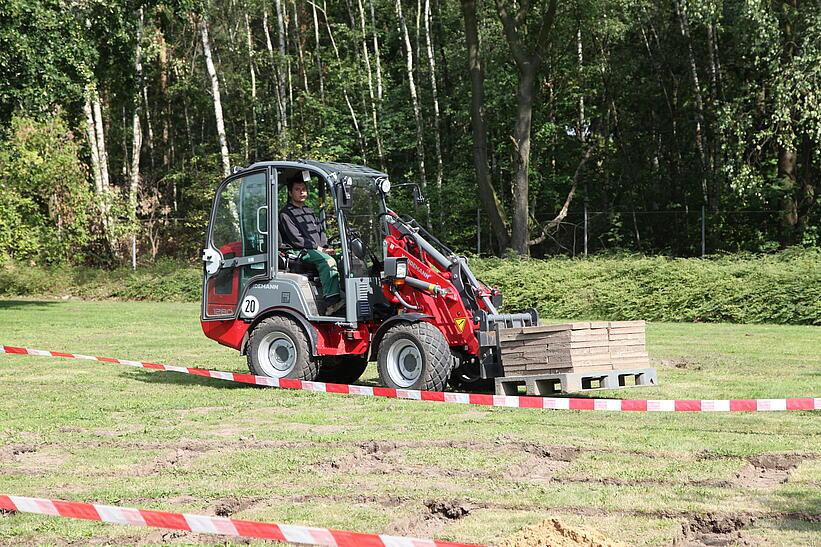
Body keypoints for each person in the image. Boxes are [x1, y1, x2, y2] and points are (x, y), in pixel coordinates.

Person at [279, 175, 344, 315]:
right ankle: (331, 303)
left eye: (304, 189)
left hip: (315, 250)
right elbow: (297, 239)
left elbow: (320, 232)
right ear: (290, 193)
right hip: (298, 251)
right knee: (327, 261)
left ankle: (345, 295)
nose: (302, 192)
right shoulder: (286, 214)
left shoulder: (309, 211)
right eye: (297, 189)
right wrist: (319, 249)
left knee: (345, 258)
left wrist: (325, 247)